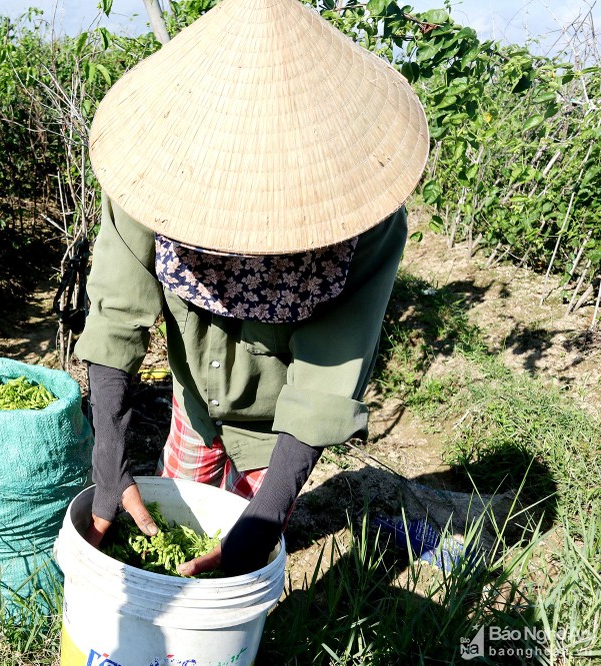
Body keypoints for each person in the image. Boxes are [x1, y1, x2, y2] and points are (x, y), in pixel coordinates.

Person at [75, 0, 430, 576]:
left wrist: (264, 521)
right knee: (182, 501)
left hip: (278, 428)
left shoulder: (364, 222)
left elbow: (324, 384)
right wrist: (109, 461)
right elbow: (116, 316)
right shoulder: (151, 172)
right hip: (195, 395)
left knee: (238, 542)